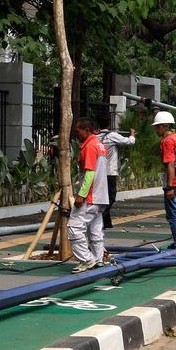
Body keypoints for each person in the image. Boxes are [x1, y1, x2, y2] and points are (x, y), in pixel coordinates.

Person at [68, 117, 110, 273]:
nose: (76, 134)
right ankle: (98, 260)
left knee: (74, 228)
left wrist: (81, 195)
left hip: (90, 196)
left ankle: (87, 260)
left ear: (87, 130)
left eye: (78, 131)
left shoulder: (90, 146)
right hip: (101, 196)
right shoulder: (100, 145)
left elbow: (90, 173)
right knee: (95, 230)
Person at [153, 111, 176, 250]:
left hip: (174, 183)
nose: (157, 129)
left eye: (158, 126)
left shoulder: (168, 141)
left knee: (173, 215)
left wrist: (169, 187)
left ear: (166, 125)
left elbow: (170, 164)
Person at [96, 124, 136, 229]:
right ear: (109, 125)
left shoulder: (96, 137)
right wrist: (132, 134)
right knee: (111, 197)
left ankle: (107, 223)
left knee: (103, 197)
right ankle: (98, 219)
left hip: (99, 172)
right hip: (110, 172)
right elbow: (130, 142)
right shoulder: (112, 135)